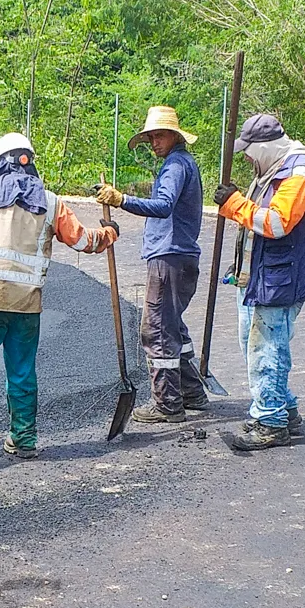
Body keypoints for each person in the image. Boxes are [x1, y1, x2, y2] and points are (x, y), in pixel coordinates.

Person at [0, 132, 119, 463]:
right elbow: (84, 241)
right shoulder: (52, 203)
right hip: (27, 305)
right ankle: (24, 440)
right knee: (23, 372)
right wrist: (109, 234)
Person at [214, 113, 305, 450]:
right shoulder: (273, 170)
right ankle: (284, 408)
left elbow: (278, 223)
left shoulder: (300, 174)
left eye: (249, 151)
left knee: (267, 347)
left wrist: (234, 204)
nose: (246, 157)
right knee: (251, 343)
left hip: (283, 276)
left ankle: (271, 421)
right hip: (262, 274)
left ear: (265, 147)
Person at [95, 105, 208, 423]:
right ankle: (191, 392)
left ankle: (168, 404)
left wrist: (122, 200)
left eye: (158, 136)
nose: (154, 143)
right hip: (181, 257)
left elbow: (162, 206)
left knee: (155, 330)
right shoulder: (184, 162)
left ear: (174, 136)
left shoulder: (175, 165)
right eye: (151, 138)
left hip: (170, 258)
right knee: (173, 328)